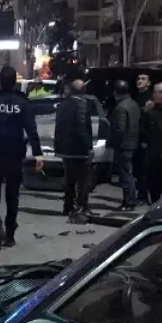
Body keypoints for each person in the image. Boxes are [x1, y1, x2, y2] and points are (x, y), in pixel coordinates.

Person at [0, 65, 42, 256]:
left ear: (0, 81)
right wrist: (38, 154)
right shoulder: (22, 103)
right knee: (12, 195)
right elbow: (31, 129)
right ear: (15, 82)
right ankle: (9, 235)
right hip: (15, 154)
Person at [54, 77, 95, 222]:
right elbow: (82, 128)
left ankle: (68, 206)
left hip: (66, 149)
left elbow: (58, 128)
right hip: (79, 149)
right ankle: (82, 206)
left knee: (69, 179)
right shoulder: (82, 105)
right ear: (83, 90)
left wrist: (58, 147)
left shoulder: (62, 105)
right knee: (84, 179)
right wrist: (88, 147)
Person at [107, 79, 143, 211]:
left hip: (123, 145)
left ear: (116, 92)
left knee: (125, 175)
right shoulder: (133, 104)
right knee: (129, 173)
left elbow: (119, 129)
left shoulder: (121, 107)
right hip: (133, 143)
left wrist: (112, 142)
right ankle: (129, 200)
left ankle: (129, 201)